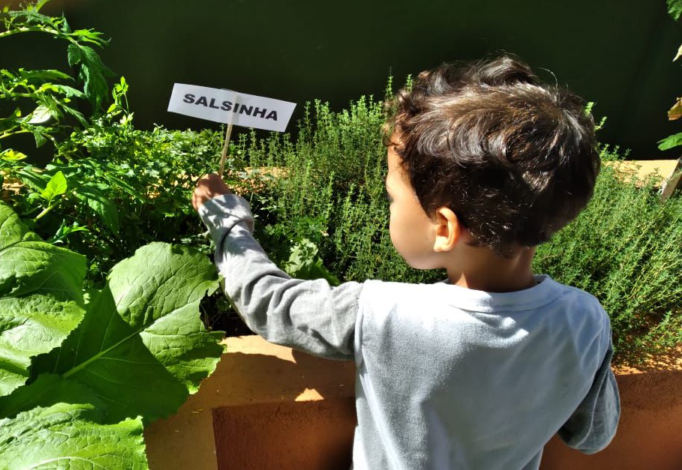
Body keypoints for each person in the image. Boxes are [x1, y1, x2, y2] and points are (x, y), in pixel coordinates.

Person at [192, 55, 620, 470]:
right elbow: (592, 436)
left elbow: (270, 304)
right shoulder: (586, 320)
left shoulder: (382, 314)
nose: (389, 207)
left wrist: (228, 223)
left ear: (446, 228)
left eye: (393, 197)